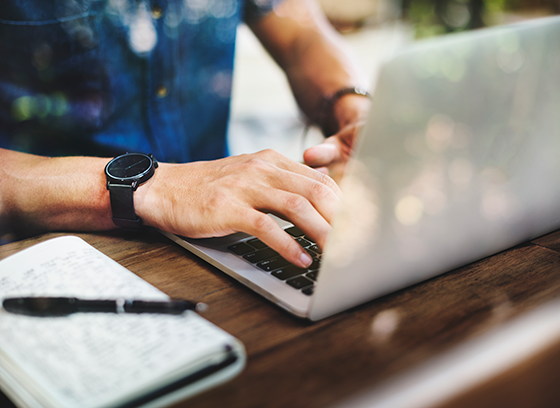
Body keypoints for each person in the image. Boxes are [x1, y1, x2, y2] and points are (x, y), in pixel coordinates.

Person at [0, 0, 371, 268]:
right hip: (44, 254)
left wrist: (350, 106)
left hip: (220, 240)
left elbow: (300, 32)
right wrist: (153, 189)